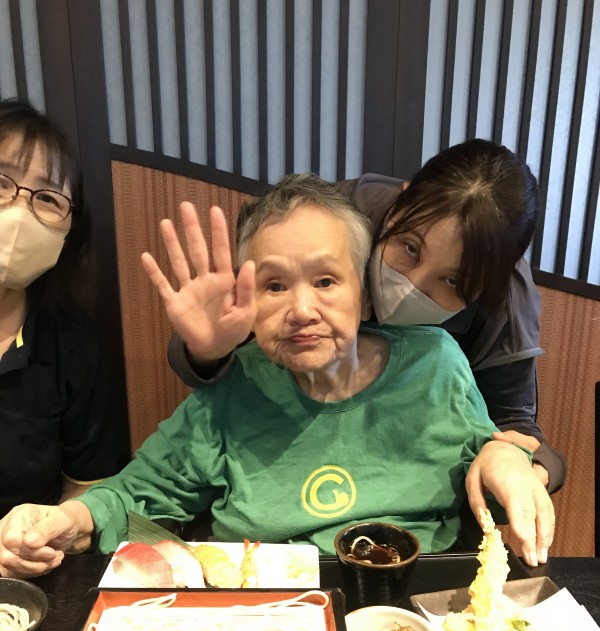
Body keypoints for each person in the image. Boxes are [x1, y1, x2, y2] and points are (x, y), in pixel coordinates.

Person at [0, 174, 554, 579]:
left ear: (365, 296)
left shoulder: (436, 364)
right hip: (270, 620)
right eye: (273, 286)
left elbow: (491, 465)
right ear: (247, 304)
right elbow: (136, 495)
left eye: (326, 281)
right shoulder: (234, 386)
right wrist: (63, 519)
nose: (301, 310)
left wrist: (507, 456)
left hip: (415, 605)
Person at [167, 139, 566, 494]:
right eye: (410, 248)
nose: (412, 285)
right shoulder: (327, 223)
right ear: (401, 201)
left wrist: (526, 467)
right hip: (277, 456)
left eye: (453, 282)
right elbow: (220, 332)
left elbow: (513, 424)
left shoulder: (505, 297)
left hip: (408, 474)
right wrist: (206, 353)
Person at [0, 98, 128, 520]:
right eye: (1, 181)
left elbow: (90, 485)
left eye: (48, 198)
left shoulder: (75, 346)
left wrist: (51, 529)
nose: (19, 210)